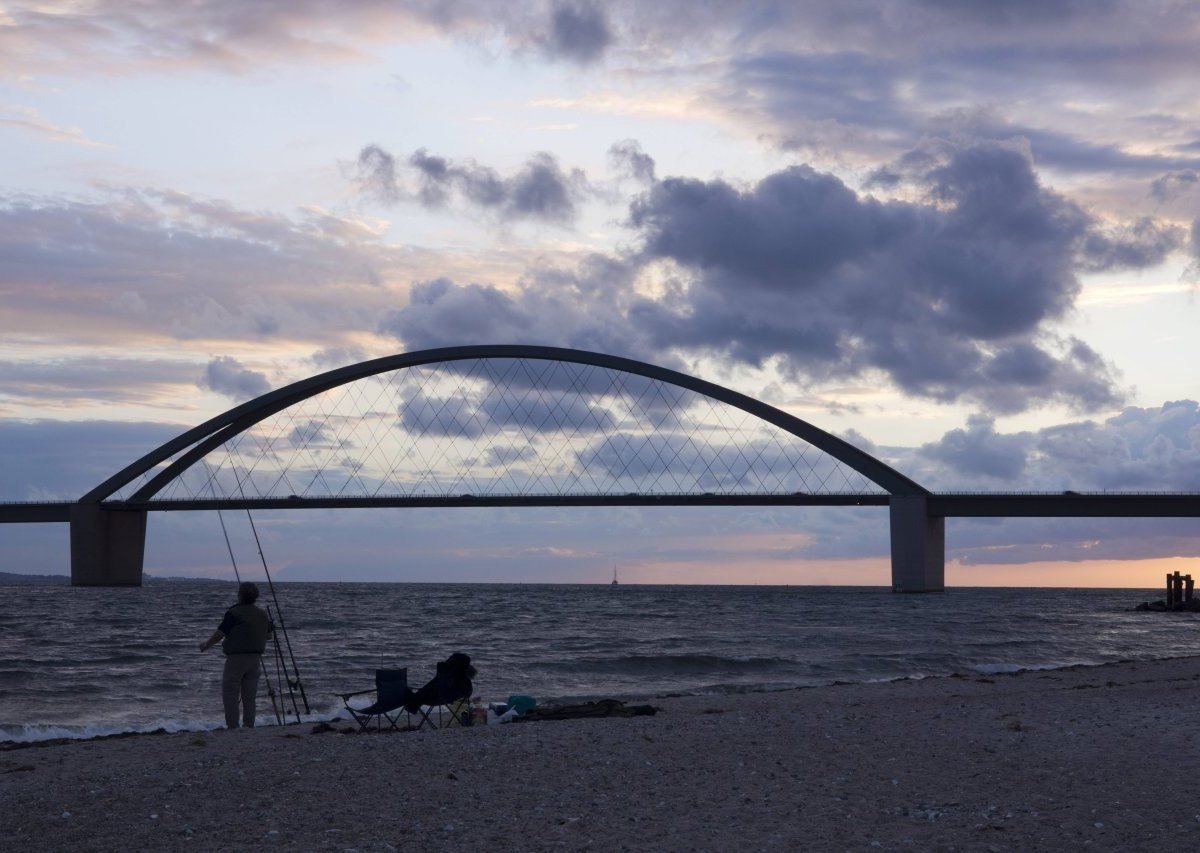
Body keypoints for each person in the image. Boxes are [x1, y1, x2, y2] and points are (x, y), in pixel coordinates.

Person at [199, 581, 273, 729]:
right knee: (250, 697)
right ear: (255, 597)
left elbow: (220, 633)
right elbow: (269, 636)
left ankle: (233, 727)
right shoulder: (263, 614)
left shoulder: (234, 613)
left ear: (239, 595)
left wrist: (206, 645)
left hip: (236, 659)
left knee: (230, 694)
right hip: (255, 660)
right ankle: (248, 725)